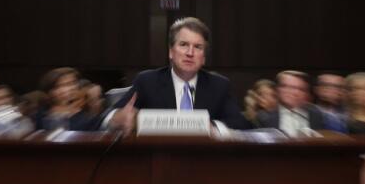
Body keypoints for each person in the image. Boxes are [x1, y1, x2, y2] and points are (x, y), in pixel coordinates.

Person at [111, 17, 249, 132]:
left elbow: (240, 124)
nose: (190, 53)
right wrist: (117, 118)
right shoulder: (147, 81)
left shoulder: (219, 85)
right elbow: (109, 117)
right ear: (171, 52)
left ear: (204, 57)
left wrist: (211, 128)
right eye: (183, 44)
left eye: (197, 47)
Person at [255, 71, 330, 135]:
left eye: (300, 88)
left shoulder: (316, 115)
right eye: (287, 87)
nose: (294, 92)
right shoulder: (264, 117)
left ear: (307, 93)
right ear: (278, 90)